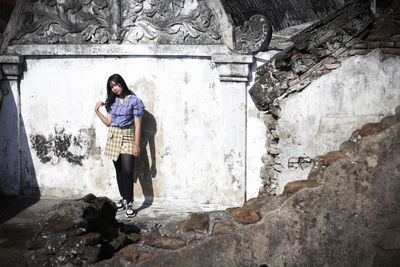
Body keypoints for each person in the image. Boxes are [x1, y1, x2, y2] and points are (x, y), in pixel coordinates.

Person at [94, 74, 144, 218]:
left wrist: (137, 145)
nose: (115, 89)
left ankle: (130, 203)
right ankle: (123, 198)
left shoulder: (134, 101)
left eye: (116, 85)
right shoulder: (112, 101)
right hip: (113, 135)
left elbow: (138, 124)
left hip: (128, 135)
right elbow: (108, 122)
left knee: (128, 171)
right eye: (112, 87)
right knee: (119, 170)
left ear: (122, 83)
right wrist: (97, 111)